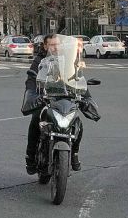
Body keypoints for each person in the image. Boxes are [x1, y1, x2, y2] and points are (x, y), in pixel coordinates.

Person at [24, 33, 95, 174]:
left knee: (77, 122)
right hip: (45, 97)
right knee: (35, 119)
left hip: (64, 96)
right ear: (45, 46)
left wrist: (85, 95)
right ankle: (30, 157)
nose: (55, 47)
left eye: (57, 44)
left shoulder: (67, 58)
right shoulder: (39, 60)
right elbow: (32, 78)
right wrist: (33, 94)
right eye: (52, 45)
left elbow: (77, 76)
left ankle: (74, 154)